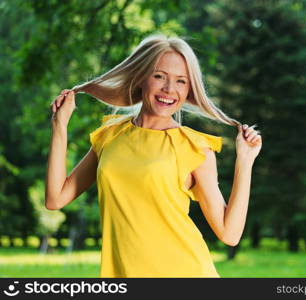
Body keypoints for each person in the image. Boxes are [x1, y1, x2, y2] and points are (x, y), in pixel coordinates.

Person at [45, 33, 262, 278]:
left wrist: (245, 160)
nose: (169, 89)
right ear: (140, 78)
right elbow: (55, 199)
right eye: (159, 76)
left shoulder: (193, 146)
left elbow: (229, 234)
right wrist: (59, 127)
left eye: (181, 81)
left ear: (190, 88)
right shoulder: (110, 136)